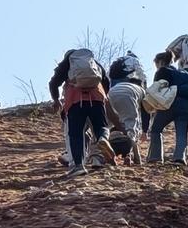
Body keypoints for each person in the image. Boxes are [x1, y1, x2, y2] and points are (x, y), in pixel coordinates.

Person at [49, 47, 110, 177]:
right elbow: (106, 80)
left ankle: (79, 166)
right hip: (97, 98)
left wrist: (56, 100)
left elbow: (53, 83)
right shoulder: (93, 63)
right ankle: (103, 138)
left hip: (75, 101)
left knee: (76, 134)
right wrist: (105, 95)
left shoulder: (67, 64)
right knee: (101, 126)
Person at [146, 52, 188, 167]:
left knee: (156, 129)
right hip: (185, 106)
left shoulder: (162, 71)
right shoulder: (186, 74)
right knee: (182, 132)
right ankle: (180, 158)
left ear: (160, 62)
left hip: (169, 104)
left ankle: (155, 157)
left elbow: (157, 92)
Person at [106, 68, 145, 164]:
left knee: (106, 127)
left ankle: (106, 155)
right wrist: (145, 130)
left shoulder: (120, 84)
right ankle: (133, 156)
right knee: (131, 130)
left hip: (110, 94)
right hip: (128, 97)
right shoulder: (142, 90)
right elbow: (145, 112)